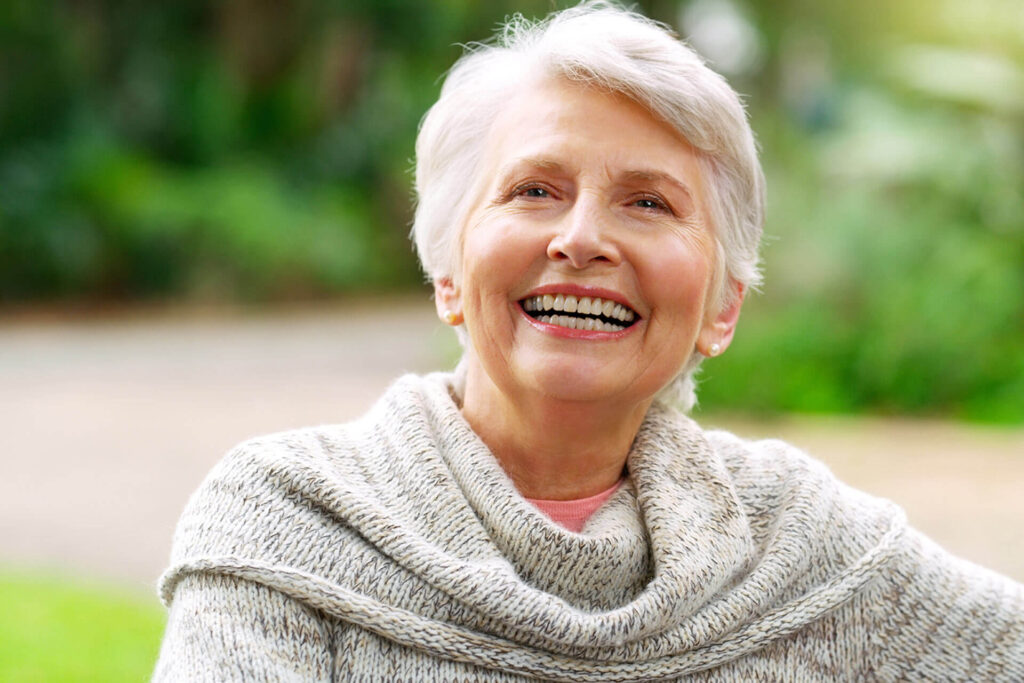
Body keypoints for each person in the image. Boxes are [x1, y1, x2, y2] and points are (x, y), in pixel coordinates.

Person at [153, 3, 1024, 680]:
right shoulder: (290, 522)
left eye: (649, 203)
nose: (581, 238)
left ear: (724, 306)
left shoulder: (804, 544)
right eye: (535, 189)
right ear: (448, 270)